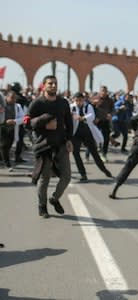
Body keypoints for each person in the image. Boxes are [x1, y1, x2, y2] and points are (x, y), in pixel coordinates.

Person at [28, 75, 73, 218]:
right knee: (45, 179)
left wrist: (69, 139)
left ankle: (54, 198)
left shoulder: (63, 103)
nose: (53, 86)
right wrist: (44, 124)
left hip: (61, 144)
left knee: (66, 176)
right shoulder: (37, 104)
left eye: (55, 83)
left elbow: (69, 122)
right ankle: (42, 206)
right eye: (50, 83)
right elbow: (28, 123)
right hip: (44, 146)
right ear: (44, 85)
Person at [70, 92, 112, 182]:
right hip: (75, 134)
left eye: (80, 100)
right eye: (76, 100)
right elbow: (67, 116)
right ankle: (83, 174)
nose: (78, 102)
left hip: (87, 132)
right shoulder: (71, 107)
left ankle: (104, 169)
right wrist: (71, 116)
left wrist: (83, 118)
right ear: (74, 100)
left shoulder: (87, 106)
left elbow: (91, 116)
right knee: (75, 153)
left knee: (94, 152)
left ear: (83, 100)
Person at [0, 91, 25, 171]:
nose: (14, 100)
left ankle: (3, 159)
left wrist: (14, 121)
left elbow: (23, 118)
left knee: (8, 145)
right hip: (2, 128)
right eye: (12, 97)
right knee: (4, 146)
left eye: (15, 98)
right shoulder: (2, 105)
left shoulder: (18, 107)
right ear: (6, 97)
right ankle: (7, 164)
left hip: (12, 129)